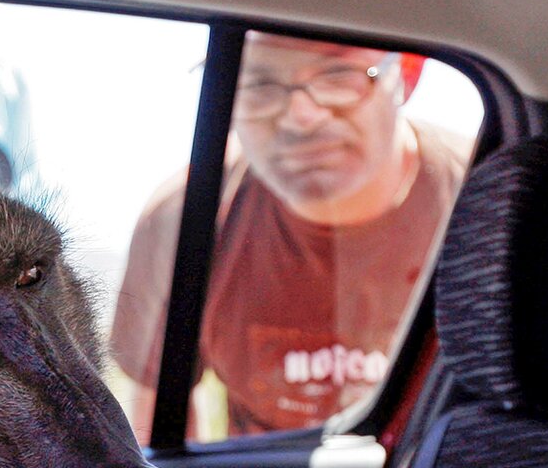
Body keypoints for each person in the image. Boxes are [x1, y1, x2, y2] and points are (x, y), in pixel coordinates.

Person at [111, 31, 471, 441]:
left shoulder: (484, 201)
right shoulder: (186, 217)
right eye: (259, 85)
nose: (301, 115)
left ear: (407, 73)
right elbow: (155, 426)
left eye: (338, 76)